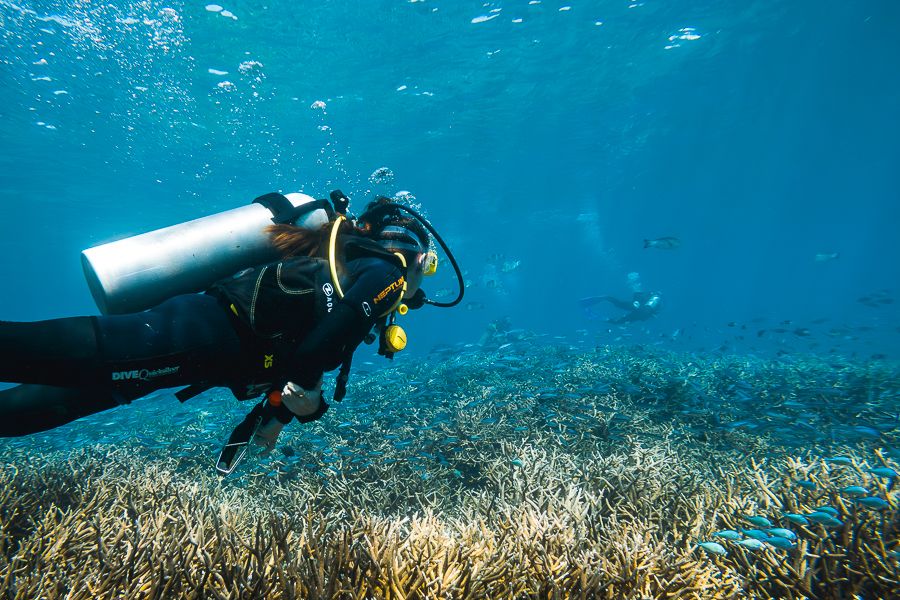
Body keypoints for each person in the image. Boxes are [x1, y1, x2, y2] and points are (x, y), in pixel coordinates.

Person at [0, 194, 462, 473]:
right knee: (21, 352)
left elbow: (301, 353)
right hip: (184, 339)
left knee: (26, 412)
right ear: (418, 257)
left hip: (189, 346)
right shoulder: (389, 273)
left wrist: (278, 417)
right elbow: (314, 357)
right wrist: (310, 401)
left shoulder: (346, 266)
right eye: (430, 266)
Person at [579, 291, 662, 324]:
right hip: (640, 315)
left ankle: (606, 297)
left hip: (636, 308)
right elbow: (652, 314)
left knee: (618, 304)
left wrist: (636, 301)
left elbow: (636, 296)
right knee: (618, 322)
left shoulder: (649, 296)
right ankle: (604, 318)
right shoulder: (656, 303)